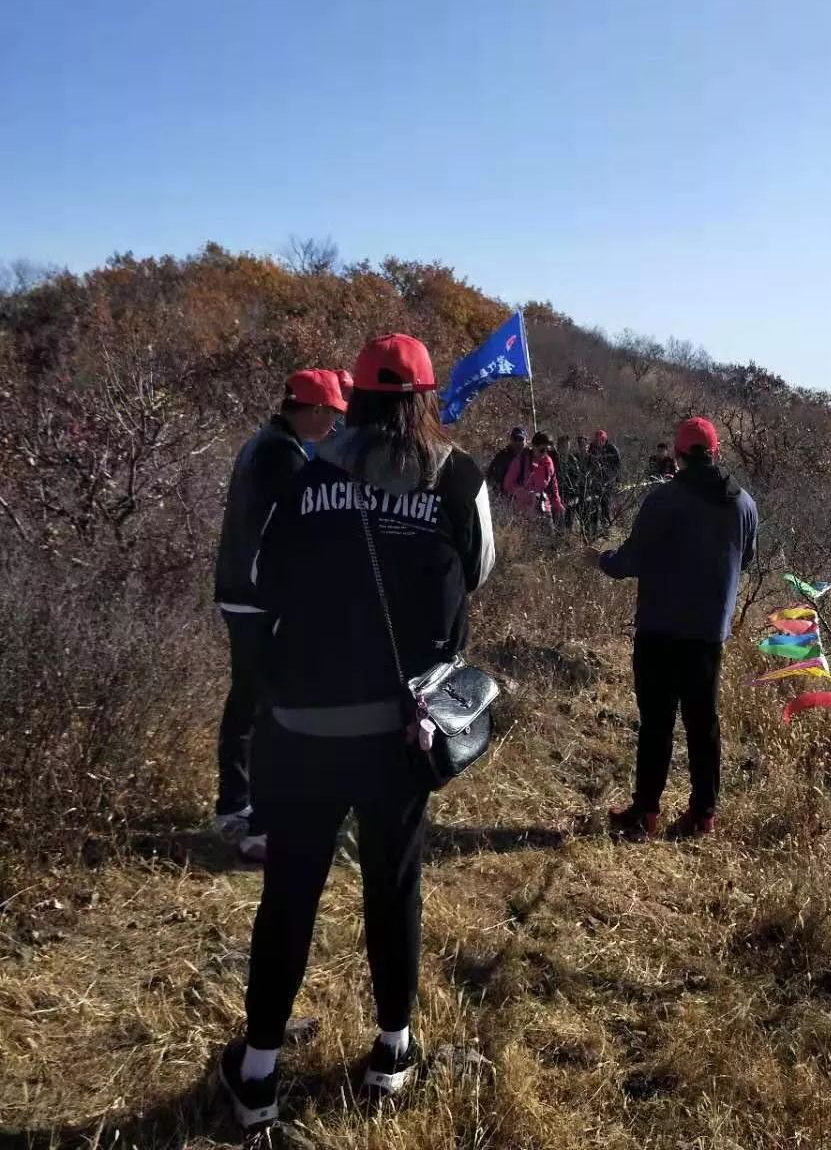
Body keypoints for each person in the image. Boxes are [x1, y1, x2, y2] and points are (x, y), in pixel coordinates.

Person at [218, 333, 495, 1130]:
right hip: (399, 733)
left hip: (299, 728)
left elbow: (257, 584)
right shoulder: (458, 476)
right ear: (425, 397)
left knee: (290, 894)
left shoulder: (301, 473)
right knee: (394, 884)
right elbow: (475, 571)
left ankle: (259, 1072)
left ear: (356, 396)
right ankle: (391, 1054)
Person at [585, 417, 757, 842]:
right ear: (715, 453)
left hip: (659, 631)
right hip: (708, 636)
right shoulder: (744, 505)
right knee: (703, 725)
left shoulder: (664, 499)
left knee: (657, 723)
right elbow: (746, 560)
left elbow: (632, 562)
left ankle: (644, 814)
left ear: (679, 456)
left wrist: (601, 560)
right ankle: (702, 816)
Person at [213, 369, 347, 861]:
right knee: (267, 708)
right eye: (332, 415)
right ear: (314, 410)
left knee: (246, 700)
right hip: (260, 597)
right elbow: (290, 536)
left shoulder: (260, 443)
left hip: (238, 590)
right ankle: (257, 825)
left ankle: (234, 806)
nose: (333, 426)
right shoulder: (282, 456)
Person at [502, 431, 564, 521]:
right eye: (542, 450)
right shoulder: (521, 461)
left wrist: (557, 503)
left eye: (548, 451)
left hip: (544, 508)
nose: (545, 453)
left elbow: (553, 485)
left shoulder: (548, 462)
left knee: (549, 534)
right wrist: (527, 494)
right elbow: (508, 485)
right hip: (524, 512)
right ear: (533, 446)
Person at [586, 429, 621, 532]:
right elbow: (587, 464)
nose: (599, 442)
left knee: (605, 505)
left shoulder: (612, 449)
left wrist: (614, 479)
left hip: (608, 482)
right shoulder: (591, 449)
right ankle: (594, 529)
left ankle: (606, 529)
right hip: (595, 482)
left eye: (601, 440)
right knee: (593, 505)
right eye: (597, 440)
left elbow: (618, 466)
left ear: (605, 440)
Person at [486, 426, 528, 498]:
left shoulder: (531, 456)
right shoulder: (502, 456)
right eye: (515, 439)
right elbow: (491, 477)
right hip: (506, 496)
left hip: (526, 497)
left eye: (521, 439)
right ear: (511, 440)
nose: (517, 442)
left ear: (526, 440)